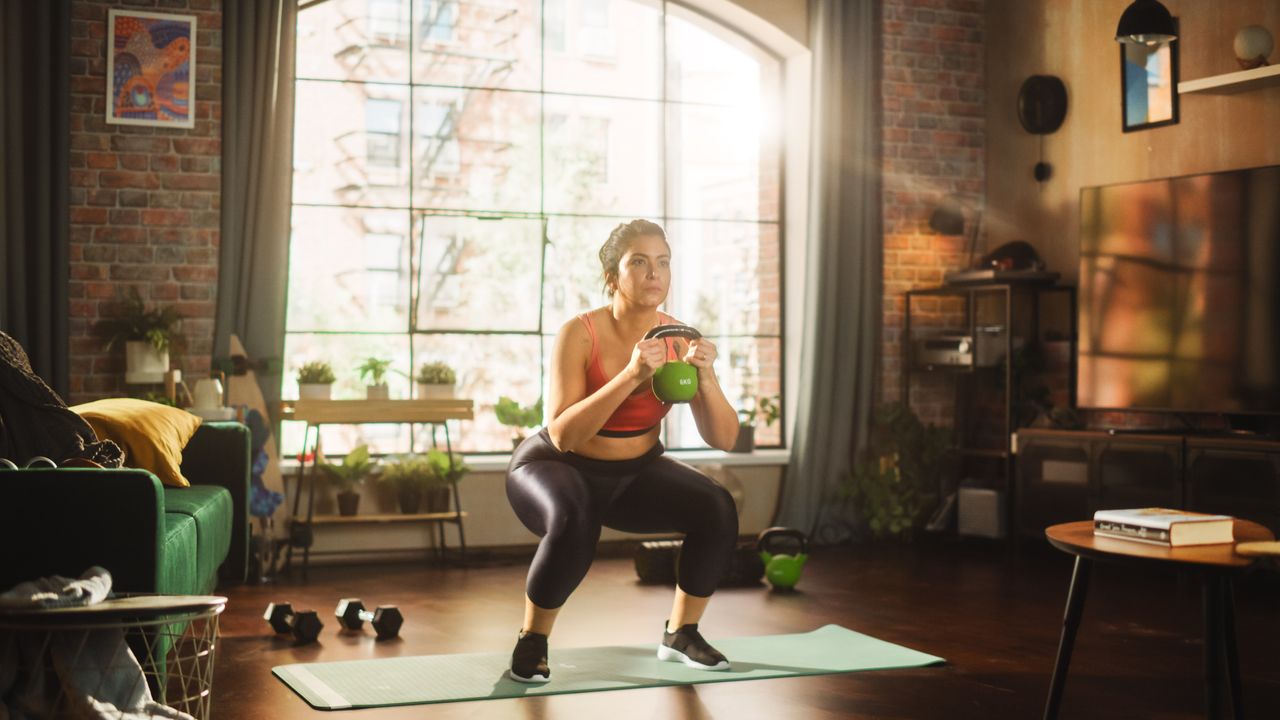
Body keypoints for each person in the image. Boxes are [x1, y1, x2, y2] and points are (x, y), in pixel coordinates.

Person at [504, 219, 742, 683]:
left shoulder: (679, 338)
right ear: (613, 275)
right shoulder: (579, 333)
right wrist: (631, 375)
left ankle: (682, 633)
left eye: (663, 262)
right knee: (576, 519)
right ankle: (532, 640)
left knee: (716, 506)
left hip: (636, 472)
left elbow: (725, 439)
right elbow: (564, 435)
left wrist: (707, 380)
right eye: (639, 261)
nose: (654, 272)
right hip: (554, 466)